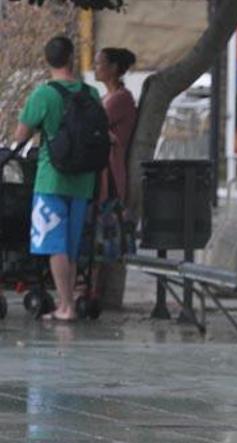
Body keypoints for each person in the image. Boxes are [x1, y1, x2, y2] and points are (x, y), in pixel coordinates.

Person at [13, 35, 102, 322]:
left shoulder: (44, 95)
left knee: (55, 246)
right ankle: (70, 302)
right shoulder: (91, 94)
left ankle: (66, 307)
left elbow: (20, 136)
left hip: (52, 179)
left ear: (47, 60)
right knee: (72, 247)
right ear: (72, 58)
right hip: (84, 181)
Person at [92, 47, 138, 300]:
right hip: (101, 172)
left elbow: (95, 123)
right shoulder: (107, 97)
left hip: (109, 174)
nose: (95, 67)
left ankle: (94, 291)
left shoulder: (120, 99)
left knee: (102, 233)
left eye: (99, 63)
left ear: (113, 68)